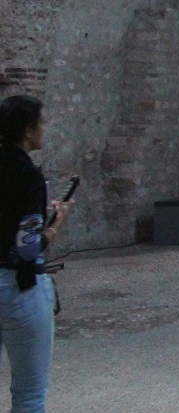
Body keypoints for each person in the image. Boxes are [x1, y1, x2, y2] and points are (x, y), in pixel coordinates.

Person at [0, 95, 71, 413]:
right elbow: (27, 248)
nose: (45, 128)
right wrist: (55, 225)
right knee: (29, 395)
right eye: (41, 123)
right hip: (19, 287)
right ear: (28, 130)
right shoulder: (28, 176)